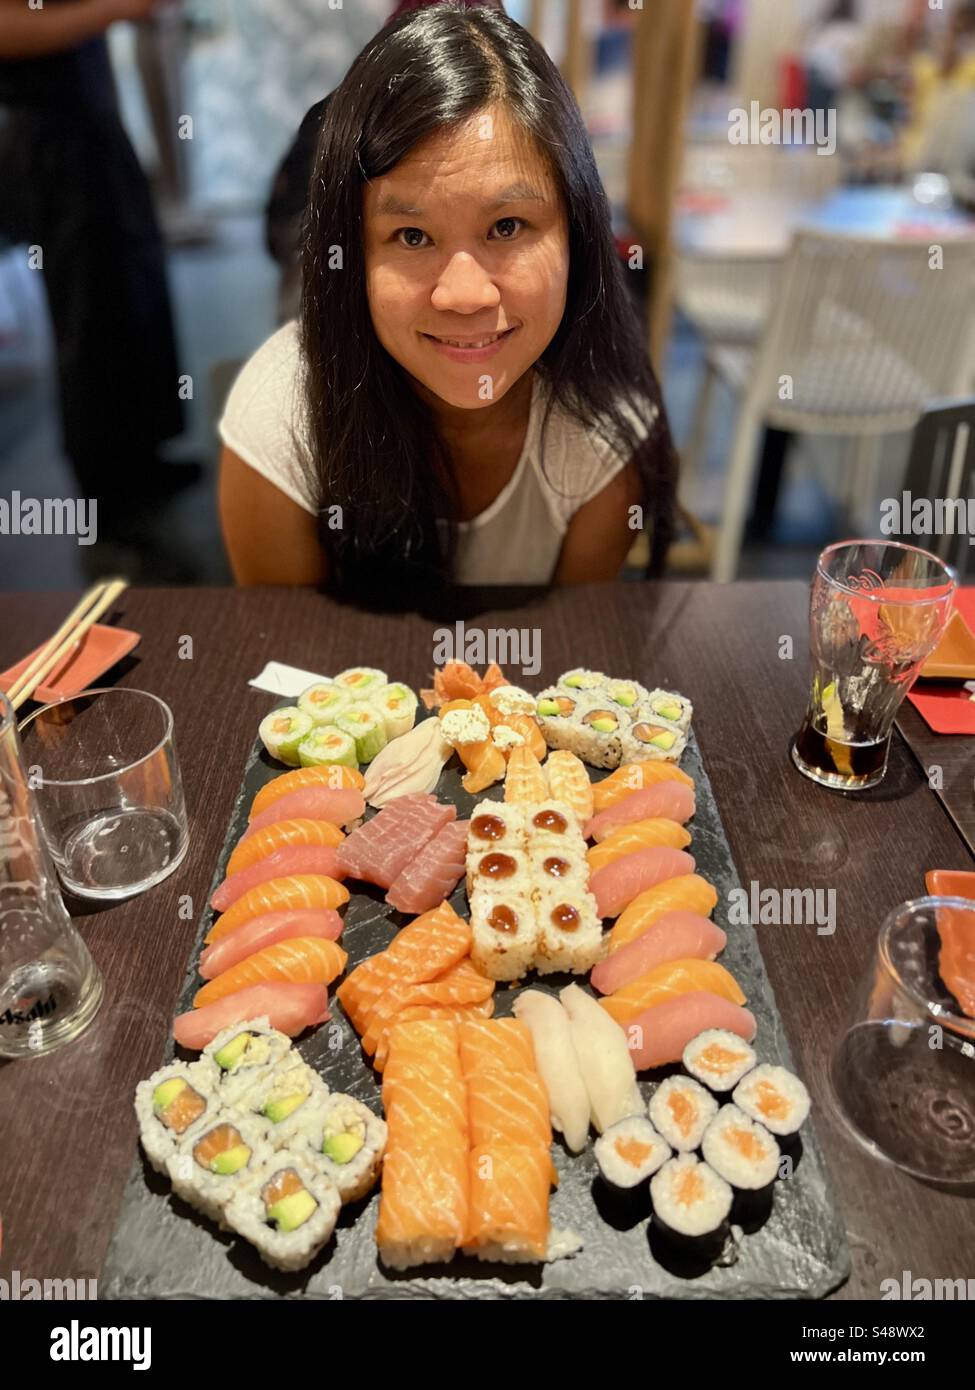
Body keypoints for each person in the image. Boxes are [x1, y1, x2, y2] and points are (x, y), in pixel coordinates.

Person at [219, 3, 677, 612]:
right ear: (351, 253)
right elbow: (288, 662)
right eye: (412, 237)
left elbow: (573, 662)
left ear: (578, 233)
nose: (463, 295)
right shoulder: (280, 419)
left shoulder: (603, 434)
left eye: (508, 225)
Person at [0, 0, 194, 528]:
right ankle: (105, 503)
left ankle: (141, 460)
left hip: (91, 119)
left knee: (131, 289)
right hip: (46, 136)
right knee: (88, 312)